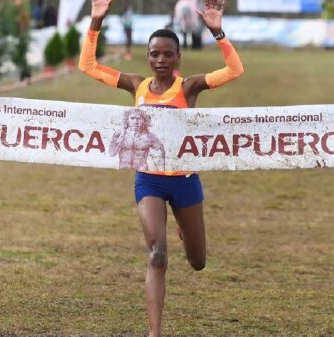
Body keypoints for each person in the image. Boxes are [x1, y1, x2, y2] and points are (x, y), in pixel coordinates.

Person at [78, 1, 243, 336]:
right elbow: (89, 66)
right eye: (155, 54)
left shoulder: (188, 87)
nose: (161, 61)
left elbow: (234, 71)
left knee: (198, 262)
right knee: (156, 254)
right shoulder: (136, 86)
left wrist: (217, 31)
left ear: (178, 57)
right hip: (149, 181)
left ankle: (186, 228)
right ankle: (154, 333)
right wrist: (95, 22)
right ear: (148, 57)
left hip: (184, 181)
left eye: (168, 55)